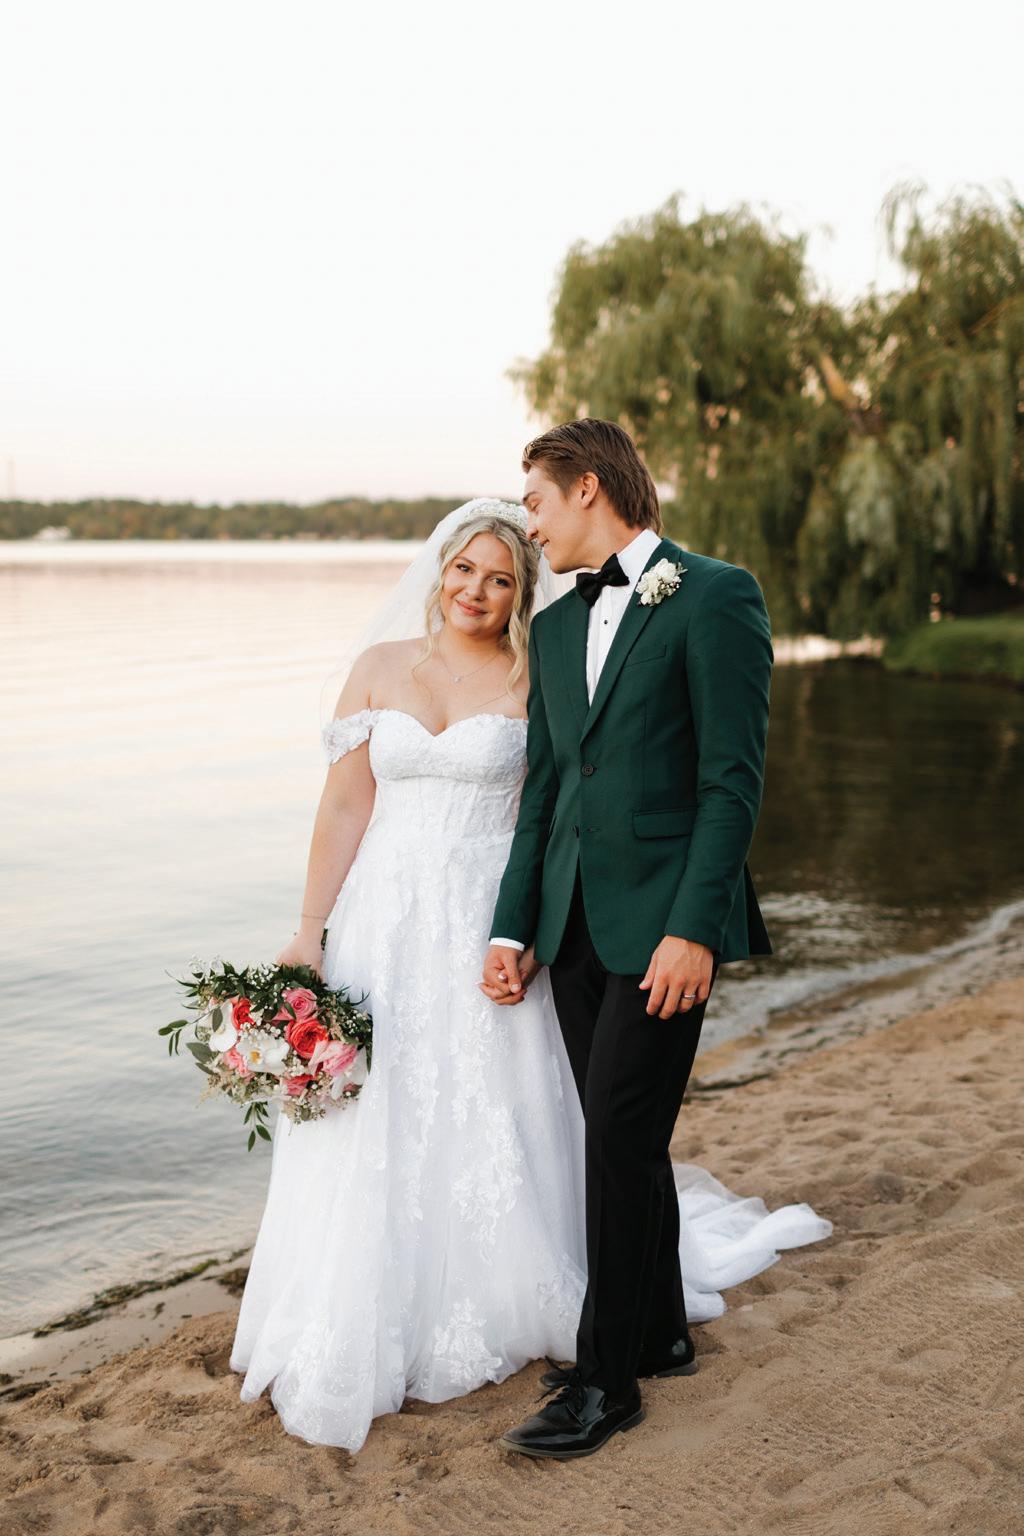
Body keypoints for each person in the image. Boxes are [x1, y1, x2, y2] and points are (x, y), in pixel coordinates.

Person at [229, 493, 832, 1454]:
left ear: (523, 593)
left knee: (513, 1108)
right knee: (380, 1108)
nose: (476, 590)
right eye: (464, 570)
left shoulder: (538, 666)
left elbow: (560, 804)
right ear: (439, 570)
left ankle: (572, 1318)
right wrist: (310, 932)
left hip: (497, 919)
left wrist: (534, 931)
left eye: (501, 578)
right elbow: (344, 807)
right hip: (385, 919)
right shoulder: (378, 668)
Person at [482, 418, 799, 1460]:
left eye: (534, 502)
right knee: (621, 1137)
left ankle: (605, 1381)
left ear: (586, 487)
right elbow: (545, 793)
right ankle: (658, 1329)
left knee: (617, 1135)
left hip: (664, 926)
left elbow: (730, 783)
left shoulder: (715, 594)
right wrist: (514, 925)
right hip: (571, 925)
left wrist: (693, 929)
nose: (529, 526)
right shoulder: (555, 629)